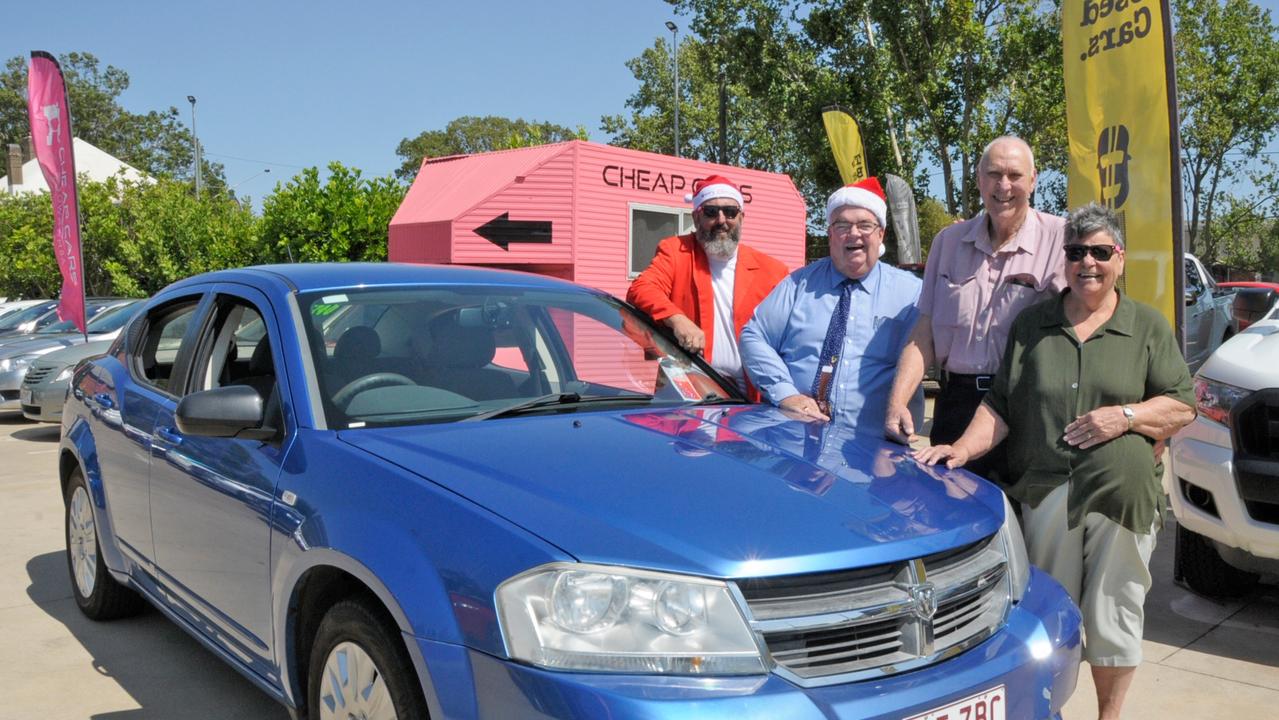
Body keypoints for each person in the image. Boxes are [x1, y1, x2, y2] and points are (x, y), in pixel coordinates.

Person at [913, 203, 1195, 720]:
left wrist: (1126, 416)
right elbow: (1000, 405)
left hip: (1122, 500)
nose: (1087, 262)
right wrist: (963, 447)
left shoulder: (1147, 326)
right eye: (1075, 252)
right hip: (1044, 493)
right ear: (1063, 260)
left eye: (1100, 252)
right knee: (1048, 617)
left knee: (1115, 616)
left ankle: (1108, 715)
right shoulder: (1033, 324)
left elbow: (1181, 404)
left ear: (1120, 259)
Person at [885, 136, 1065, 484]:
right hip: (957, 405)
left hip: (1025, 406)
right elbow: (924, 332)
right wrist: (897, 403)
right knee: (952, 515)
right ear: (979, 180)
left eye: (1014, 175)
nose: (1004, 186)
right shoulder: (948, 243)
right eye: (993, 174)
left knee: (1026, 526)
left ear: (1033, 179)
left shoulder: (1062, 240)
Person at [740, 177, 922, 430]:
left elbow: (928, 351)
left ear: (881, 234)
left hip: (875, 449)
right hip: (799, 438)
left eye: (865, 225)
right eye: (842, 225)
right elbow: (753, 335)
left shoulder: (912, 293)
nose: (854, 233)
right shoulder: (797, 285)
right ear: (830, 234)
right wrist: (785, 393)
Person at [626, 174, 788, 397]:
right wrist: (677, 319)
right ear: (696, 217)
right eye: (711, 212)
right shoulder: (675, 251)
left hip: (755, 393)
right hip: (692, 388)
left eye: (730, 212)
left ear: (741, 217)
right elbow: (641, 288)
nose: (722, 220)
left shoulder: (773, 270)